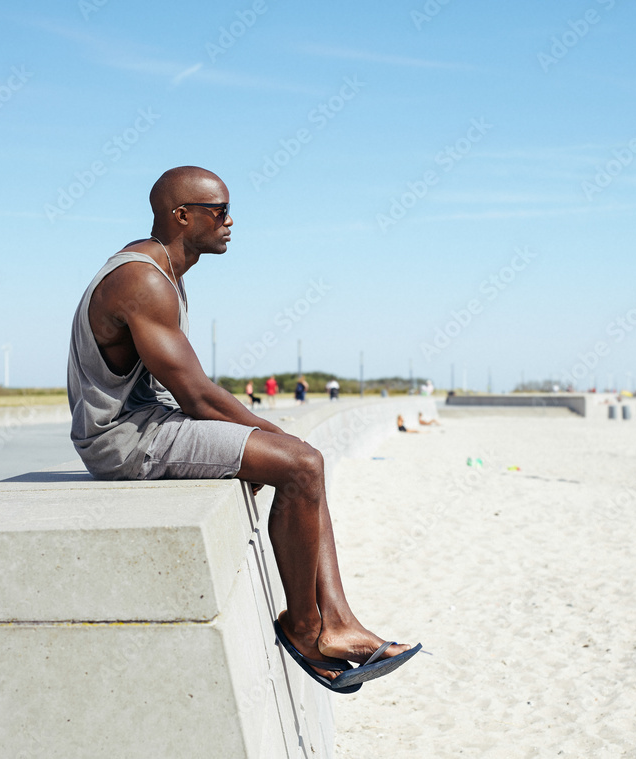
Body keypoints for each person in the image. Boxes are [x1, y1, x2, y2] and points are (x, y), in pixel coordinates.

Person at [67, 166, 419, 691]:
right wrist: (272, 438)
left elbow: (186, 391)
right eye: (220, 210)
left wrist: (258, 439)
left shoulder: (163, 269)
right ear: (181, 216)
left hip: (148, 422)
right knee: (301, 463)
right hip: (122, 439)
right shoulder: (142, 279)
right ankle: (305, 629)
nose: (231, 222)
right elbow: (197, 394)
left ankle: (339, 624)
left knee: (302, 461)